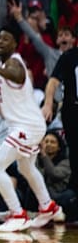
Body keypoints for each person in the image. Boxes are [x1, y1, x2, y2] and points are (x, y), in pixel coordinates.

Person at [0, 27, 64, 232]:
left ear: (15, 44)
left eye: (5, 39)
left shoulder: (15, 62)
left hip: (28, 126)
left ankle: (18, 214)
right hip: (22, 125)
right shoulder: (2, 64)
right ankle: (48, 207)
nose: (0, 41)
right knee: (26, 168)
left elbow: (16, 76)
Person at [43, 45, 78, 193]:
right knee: (75, 154)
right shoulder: (69, 56)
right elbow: (53, 81)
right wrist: (48, 103)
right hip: (73, 109)